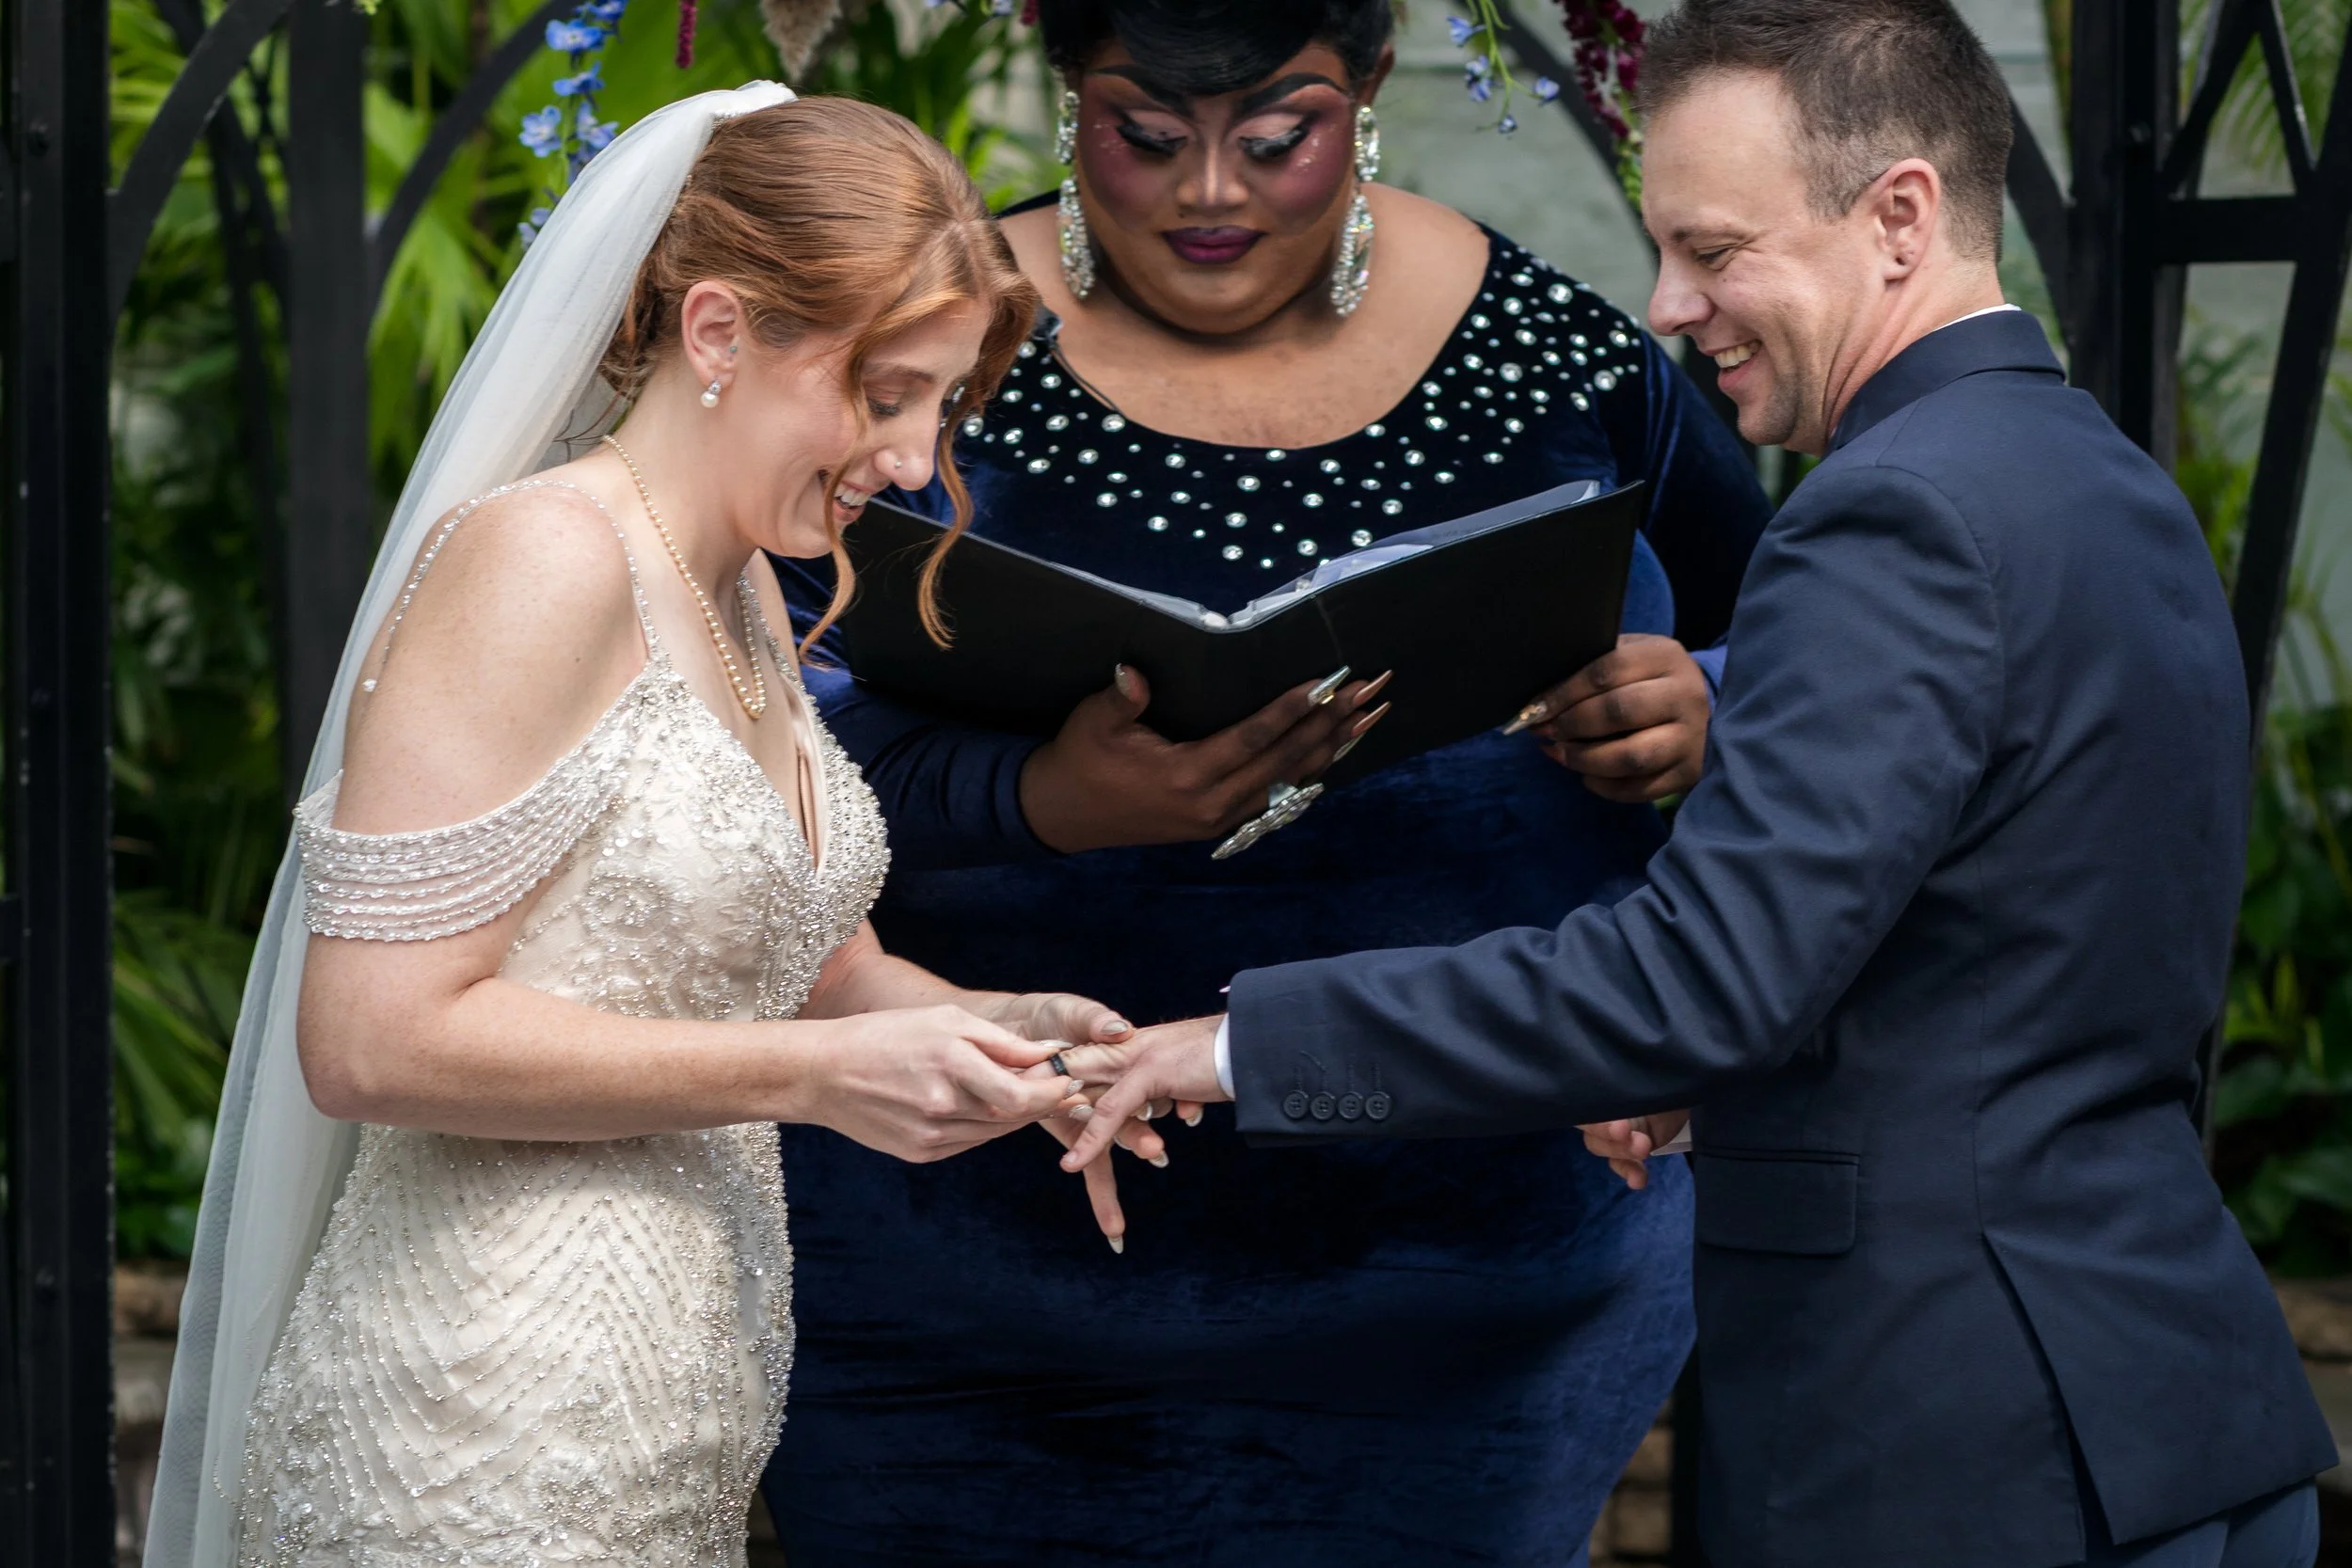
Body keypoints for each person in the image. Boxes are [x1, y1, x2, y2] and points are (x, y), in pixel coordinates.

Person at [1067, 2, 2339, 1564]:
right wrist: (1718, 1082)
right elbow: (2013, 941)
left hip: (1945, 1442)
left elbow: (1703, 978)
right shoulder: (2101, 478)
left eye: (1717, 248)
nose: (1671, 305)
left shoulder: (1889, 518)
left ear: (1900, 218)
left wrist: (1244, 1042)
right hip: (2180, 1409)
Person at [757, 1, 1772, 1562]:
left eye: (1277, 137)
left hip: (1471, 1294)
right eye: (1142, 138)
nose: (1208, 192)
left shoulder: (1569, 357)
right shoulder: (917, 353)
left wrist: (1703, 705)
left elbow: (1811, 655)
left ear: (1364, 90)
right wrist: (1044, 799)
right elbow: (713, 738)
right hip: (948, 1283)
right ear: (1067, 91)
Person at [144, 90, 1168, 1568]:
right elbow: (368, 1039)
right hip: (481, 1421)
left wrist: (1014, 1036)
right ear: (715, 331)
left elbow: (807, 963)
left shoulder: (745, 582)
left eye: (942, 403)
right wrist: (821, 1077)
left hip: (667, 1412)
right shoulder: (543, 560)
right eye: (883, 392)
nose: (912, 454)